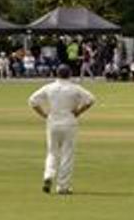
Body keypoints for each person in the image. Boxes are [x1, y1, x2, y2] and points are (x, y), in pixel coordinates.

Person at [28, 64, 95, 195]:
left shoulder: (49, 87)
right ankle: (62, 186)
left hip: (53, 121)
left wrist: (43, 115)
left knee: (52, 152)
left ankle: (48, 175)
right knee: (67, 154)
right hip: (69, 121)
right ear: (70, 74)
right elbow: (91, 99)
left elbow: (32, 101)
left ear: (56, 74)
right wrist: (79, 112)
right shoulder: (75, 88)